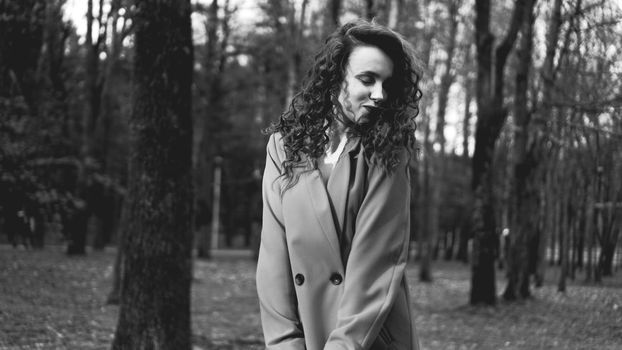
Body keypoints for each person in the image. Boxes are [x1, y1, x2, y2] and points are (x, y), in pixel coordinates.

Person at [256, 19, 422, 350]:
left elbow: (376, 265)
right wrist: (285, 343)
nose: (380, 94)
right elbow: (273, 254)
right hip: (306, 331)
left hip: (368, 337)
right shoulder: (284, 147)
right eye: (367, 79)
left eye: (387, 84)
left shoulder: (388, 152)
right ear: (335, 78)